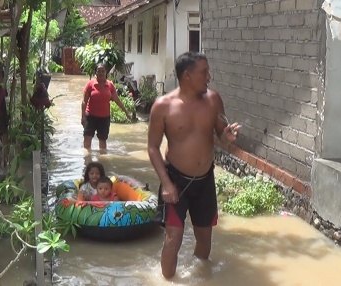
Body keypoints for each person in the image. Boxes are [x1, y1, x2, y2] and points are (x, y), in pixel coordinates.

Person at [147, 51, 241, 279]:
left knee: (205, 239)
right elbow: (152, 148)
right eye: (204, 72)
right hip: (175, 180)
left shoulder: (214, 100)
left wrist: (227, 138)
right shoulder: (163, 106)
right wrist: (166, 184)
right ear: (187, 75)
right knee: (173, 239)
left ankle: (199, 278)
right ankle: (167, 282)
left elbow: (221, 135)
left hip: (205, 180)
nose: (209, 77)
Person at [81, 63, 133, 150]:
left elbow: (117, 100)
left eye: (103, 71)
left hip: (104, 118)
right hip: (90, 117)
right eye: (98, 71)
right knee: (87, 139)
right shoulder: (90, 84)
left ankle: (102, 161)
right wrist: (83, 117)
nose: (101, 73)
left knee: (103, 142)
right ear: (95, 73)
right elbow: (84, 102)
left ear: (106, 72)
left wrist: (126, 112)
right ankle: (87, 161)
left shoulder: (110, 85)